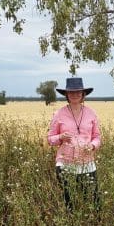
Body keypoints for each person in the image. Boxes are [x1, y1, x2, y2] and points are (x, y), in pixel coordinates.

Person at [47, 77, 101, 213]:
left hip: (87, 163)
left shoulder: (91, 113)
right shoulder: (58, 114)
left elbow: (97, 137)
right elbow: (50, 139)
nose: (75, 95)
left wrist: (93, 146)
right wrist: (60, 137)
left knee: (94, 200)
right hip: (65, 164)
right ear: (66, 95)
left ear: (83, 94)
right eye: (71, 92)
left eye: (78, 92)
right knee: (69, 201)